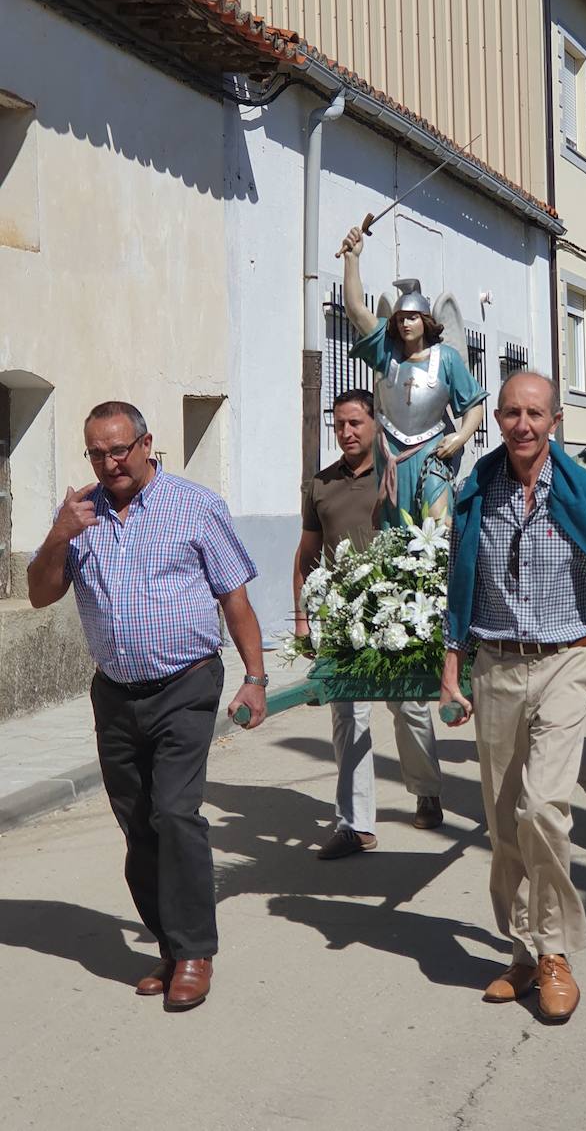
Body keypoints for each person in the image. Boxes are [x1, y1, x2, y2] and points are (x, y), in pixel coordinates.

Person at [26, 401, 267, 1012]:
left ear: (146, 444)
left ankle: (195, 953)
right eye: (97, 454)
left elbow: (234, 598)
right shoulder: (79, 517)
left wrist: (255, 678)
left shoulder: (195, 505)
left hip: (186, 685)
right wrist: (59, 535)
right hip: (114, 694)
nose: (109, 463)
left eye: (119, 450)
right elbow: (40, 594)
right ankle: (169, 945)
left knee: (175, 813)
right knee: (138, 825)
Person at [440, 372, 586, 1022]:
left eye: (534, 413)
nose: (522, 424)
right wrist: (451, 666)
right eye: (511, 412)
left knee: (542, 808)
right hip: (495, 664)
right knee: (503, 819)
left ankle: (556, 952)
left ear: (556, 421)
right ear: (498, 420)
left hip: (568, 660)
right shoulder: (477, 489)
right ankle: (523, 952)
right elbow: (457, 582)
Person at [293, 390, 445, 858]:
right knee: (347, 716)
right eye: (339, 424)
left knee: (410, 708)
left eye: (355, 423)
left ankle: (426, 790)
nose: (346, 432)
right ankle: (355, 826)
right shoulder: (321, 485)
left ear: (376, 424)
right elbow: (307, 555)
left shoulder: (399, 473)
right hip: (344, 619)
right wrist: (303, 620)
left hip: (397, 612)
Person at [338, 226, 487, 526]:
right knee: (395, 527)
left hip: (431, 452)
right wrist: (352, 260)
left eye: (412, 318)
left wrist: (460, 438)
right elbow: (355, 310)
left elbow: (474, 405)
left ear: (425, 320)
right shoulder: (387, 353)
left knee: (438, 523)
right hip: (390, 452)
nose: (405, 324)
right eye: (401, 319)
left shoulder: (445, 358)